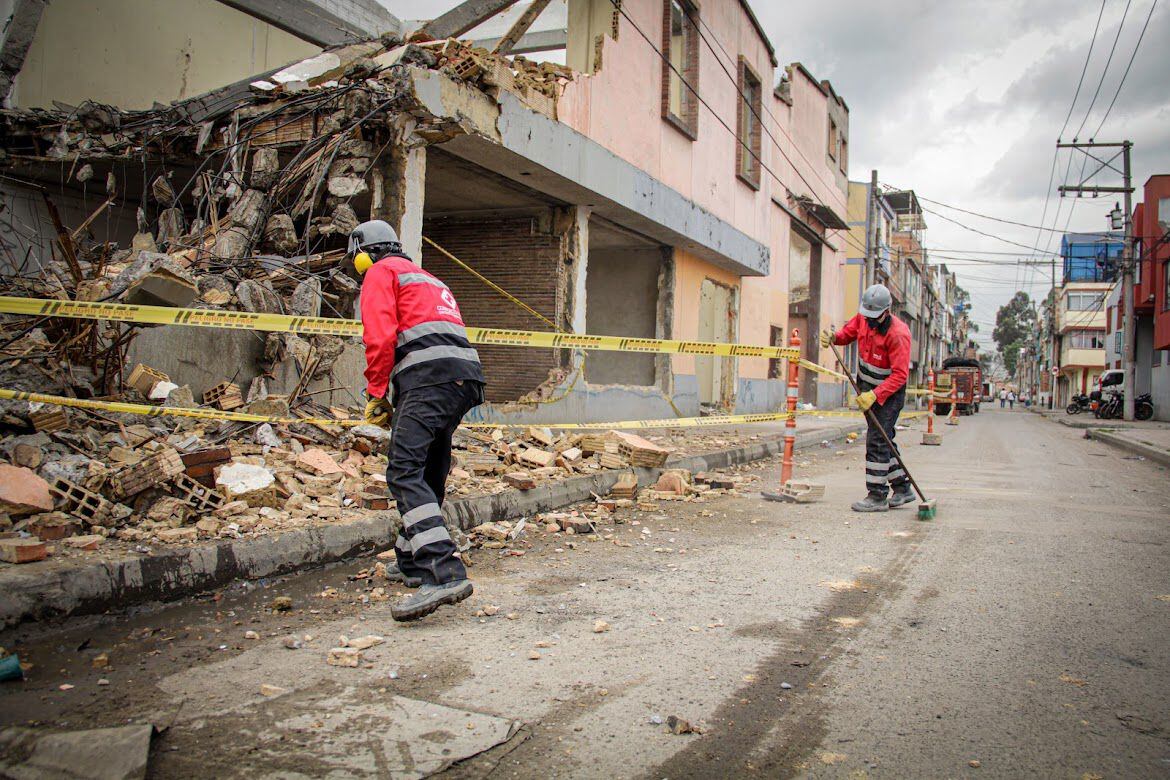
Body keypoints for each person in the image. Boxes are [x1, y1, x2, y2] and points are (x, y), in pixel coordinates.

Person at [351, 220, 486, 622]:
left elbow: (379, 337)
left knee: (403, 471)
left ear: (365, 252)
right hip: (463, 380)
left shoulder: (380, 272)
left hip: (428, 380)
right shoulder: (428, 277)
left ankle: (444, 572)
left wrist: (376, 394)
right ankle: (411, 561)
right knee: (429, 469)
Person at [821, 284, 913, 512]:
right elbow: (847, 334)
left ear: (886, 312)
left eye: (874, 317)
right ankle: (902, 488)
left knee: (877, 440)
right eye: (867, 315)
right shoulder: (863, 318)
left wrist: (875, 394)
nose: (869, 320)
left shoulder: (898, 335)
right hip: (867, 388)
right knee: (885, 439)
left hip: (888, 394)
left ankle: (877, 495)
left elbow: (900, 375)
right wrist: (834, 337)